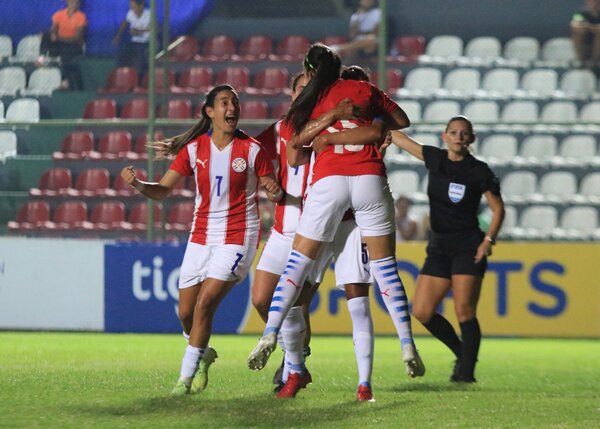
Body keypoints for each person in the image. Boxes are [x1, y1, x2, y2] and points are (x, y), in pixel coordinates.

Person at [247, 44, 425, 397]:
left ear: (310, 75)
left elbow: (296, 149)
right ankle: (405, 343)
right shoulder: (365, 94)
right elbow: (394, 125)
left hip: (331, 207)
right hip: (354, 189)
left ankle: (280, 346)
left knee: (300, 275)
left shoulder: (312, 103)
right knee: (384, 269)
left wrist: (326, 133)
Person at [120, 84, 282, 395]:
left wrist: (273, 191)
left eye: (235, 102)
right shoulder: (194, 150)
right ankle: (203, 354)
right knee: (185, 313)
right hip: (200, 236)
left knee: (205, 304)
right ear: (210, 112)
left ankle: (184, 379)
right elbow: (164, 190)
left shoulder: (250, 150)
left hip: (237, 237)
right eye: (224, 102)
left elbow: (269, 185)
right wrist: (139, 184)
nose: (232, 107)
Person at [389, 116, 505, 383]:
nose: (459, 137)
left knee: (464, 310)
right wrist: (375, 121)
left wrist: (488, 241)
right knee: (422, 311)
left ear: (471, 139)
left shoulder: (480, 171)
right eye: (454, 132)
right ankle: (462, 353)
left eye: (464, 133)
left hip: (468, 246)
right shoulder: (436, 159)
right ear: (445, 136)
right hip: (439, 246)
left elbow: (498, 209)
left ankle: (466, 372)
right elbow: (403, 140)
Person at [39, 0, 87, 90]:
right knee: (46, 35)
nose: (73, 4)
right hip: (61, 43)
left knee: (66, 55)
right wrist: (52, 34)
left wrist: (59, 38)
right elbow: (53, 29)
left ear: (78, 4)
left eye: (76, 2)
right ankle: (41, 58)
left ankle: (65, 81)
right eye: (71, 2)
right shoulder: (59, 14)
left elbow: (77, 38)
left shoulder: (81, 17)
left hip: (73, 45)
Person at [112, 0, 151, 79]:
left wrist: (140, 31)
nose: (132, 9)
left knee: (140, 58)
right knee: (122, 54)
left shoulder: (149, 14)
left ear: (141, 6)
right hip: (134, 42)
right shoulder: (130, 13)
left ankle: (139, 79)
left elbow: (156, 29)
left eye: (134, 7)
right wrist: (118, 36)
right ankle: (122, 76)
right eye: (131, 7)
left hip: (146, 43)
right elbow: (124, 23)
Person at [571, 0, 600, 67]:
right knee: (577, 34)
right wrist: (588, 28)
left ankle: (594, 62)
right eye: (591, 1)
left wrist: (590, 27)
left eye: (596, 1)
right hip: (585, 44)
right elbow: (575, 24)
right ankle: (581, 61)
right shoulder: (581, 13)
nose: (594, 4)